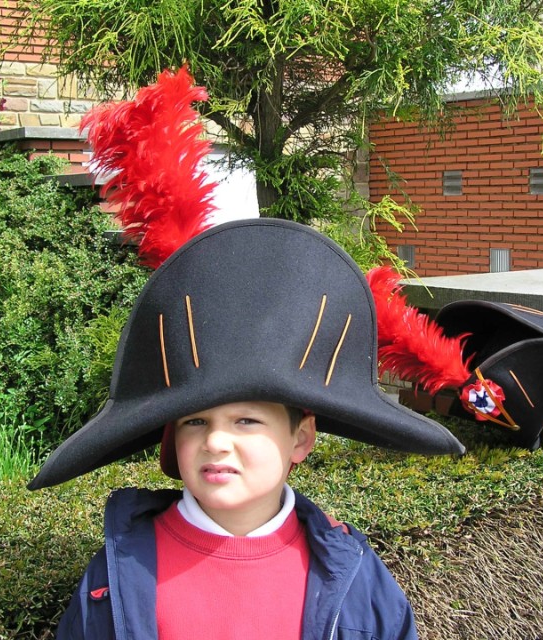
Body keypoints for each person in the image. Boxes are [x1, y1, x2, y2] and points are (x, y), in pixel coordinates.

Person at [27, 218, 466, 640]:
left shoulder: (356, 579)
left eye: (246, 421)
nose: (216, 441)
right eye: (194, 420)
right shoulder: (117, 577)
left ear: (301, 438)